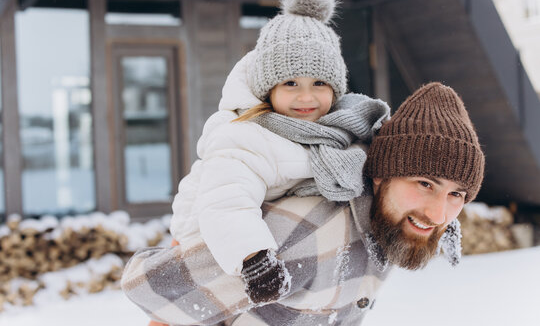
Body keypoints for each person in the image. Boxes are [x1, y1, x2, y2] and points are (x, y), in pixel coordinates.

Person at [121, 82, 485, 326]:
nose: (439, 214)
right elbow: (148, 286)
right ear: (380, 176)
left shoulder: (398, 225)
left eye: (457, 195)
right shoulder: (308, 233)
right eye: (424, 184)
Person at [167, 0, 389, 307]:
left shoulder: (335, 132)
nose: (306, 96)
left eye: (319, 83)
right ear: (267, 89)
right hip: (209, 252)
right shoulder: (248, 136)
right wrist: (254, 257)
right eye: (290, 83)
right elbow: (226, 201)